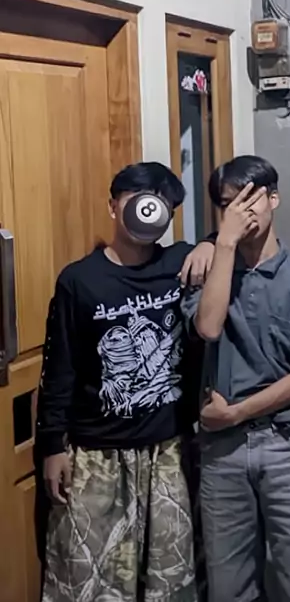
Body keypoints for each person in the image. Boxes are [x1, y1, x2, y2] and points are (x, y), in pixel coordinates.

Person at [36, 161, 215, 602]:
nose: (147, 210)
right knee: (88, 581)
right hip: (96, 451)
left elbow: (226, 254)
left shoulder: (181, 263)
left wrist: (211, 244)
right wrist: (52, 446)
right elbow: (60, 367)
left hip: (168, 450)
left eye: (160, 203)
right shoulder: (79, 280)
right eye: (136, 198)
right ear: (113, 206)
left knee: (168, 582)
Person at [181, 155, 290, 602]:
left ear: (273, 199)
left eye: (250, 198)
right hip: (222, 453)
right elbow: (209, 327)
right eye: (229, 204)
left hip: (289, 445)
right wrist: (221, 244)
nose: (242, 211)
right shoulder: (207, 271)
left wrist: (236, 412)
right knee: (230, 587)